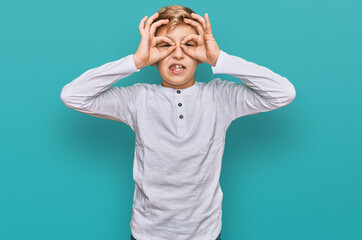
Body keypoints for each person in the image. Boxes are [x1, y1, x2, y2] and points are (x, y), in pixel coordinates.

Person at [60, 4, 296, 240]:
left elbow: (283, 93)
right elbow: (73, 96)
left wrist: (219, 58)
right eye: (165, 45)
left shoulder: (221, 97)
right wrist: (135, 61)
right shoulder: (138, 98)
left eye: (189, 44)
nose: (178, 53)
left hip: (205, 233)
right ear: (153, 55)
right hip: (147, 233)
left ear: (201, 53)